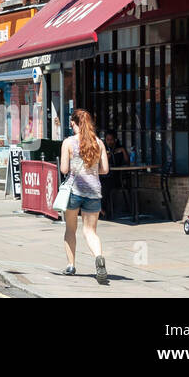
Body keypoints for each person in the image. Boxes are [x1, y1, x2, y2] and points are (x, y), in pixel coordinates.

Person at [60, 108, 110, 285]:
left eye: (72, 124)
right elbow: (104, 170)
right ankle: (98, 257)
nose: (71, 126)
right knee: (90, 231)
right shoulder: (99, 143)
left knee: (70, 229)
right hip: (94, 192)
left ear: (74, 123)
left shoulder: (68, 142)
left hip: (74, 192)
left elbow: (64, 170)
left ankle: (71, 265)